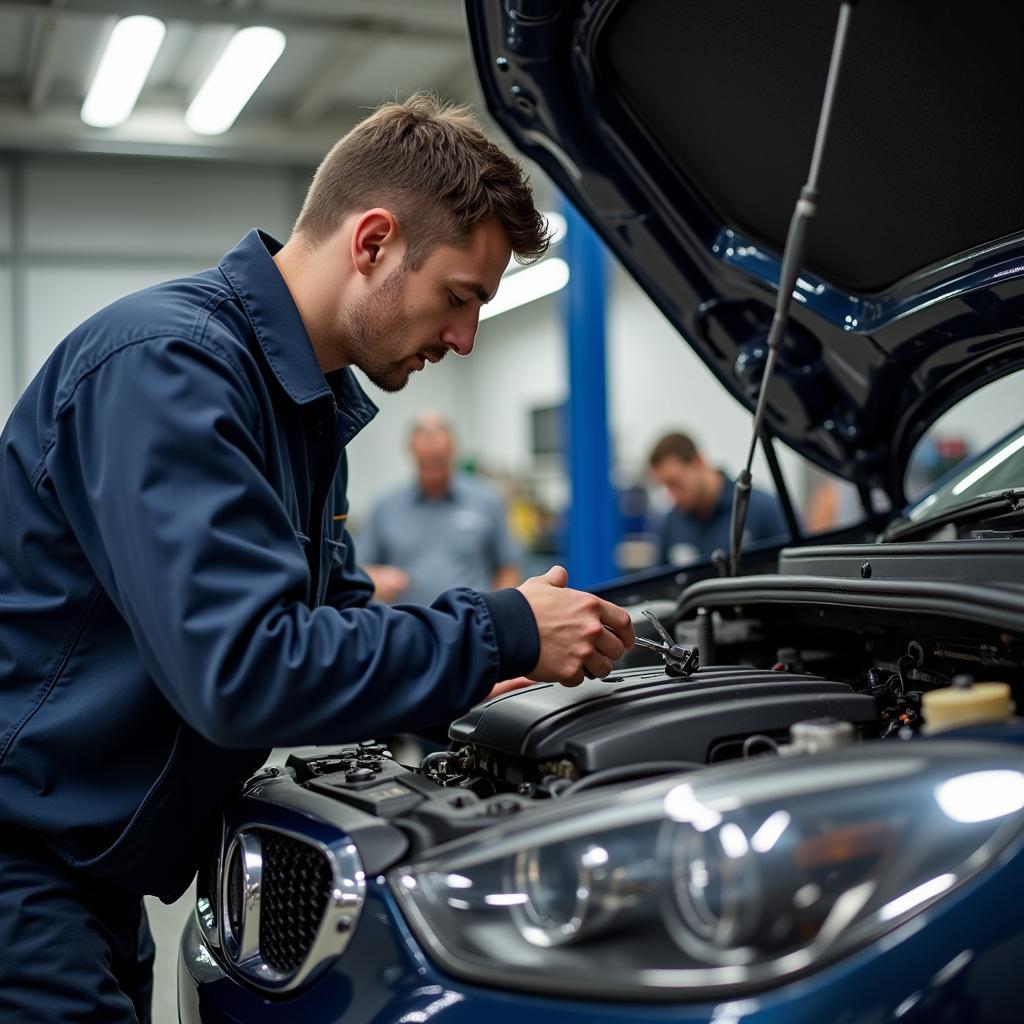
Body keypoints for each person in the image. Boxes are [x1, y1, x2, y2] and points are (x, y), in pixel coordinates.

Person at [0, 94, 634, 1023]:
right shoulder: (168, 369)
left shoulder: (299, 407)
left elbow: (333, 622)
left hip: (94, 866)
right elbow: (244, 670)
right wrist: (497, 631)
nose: (464, 339)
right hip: (25, 864)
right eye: (460, 297)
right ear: (373, 240)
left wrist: (482, 676)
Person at [359, 412, 521, 605]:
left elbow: (507, 567)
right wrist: (376, 578)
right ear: (411, 451)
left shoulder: (487, 500)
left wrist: (498, 614)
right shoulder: (385, 507)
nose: (432, 468)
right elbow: (361, 570)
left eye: (438, 460)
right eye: (426, 461)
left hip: (473, 629)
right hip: (406, 628)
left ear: (453, 450)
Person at [648, 431, 788, 565]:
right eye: (665, 486)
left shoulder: (765, 510)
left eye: (675, 483)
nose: (672, 495)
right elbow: (660, 587)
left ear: (698, 462)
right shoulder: (672, 523)